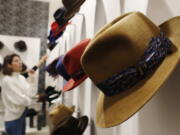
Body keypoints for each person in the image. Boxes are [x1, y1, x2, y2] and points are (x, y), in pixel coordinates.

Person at [1, 53, 47, 135]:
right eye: (16, 61)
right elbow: (21, 100)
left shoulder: (21, 78)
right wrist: (31, 99)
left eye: (20, 60)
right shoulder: (7, 80)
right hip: (13, 118)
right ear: (9, 65)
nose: (20, 62)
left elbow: (31, 94)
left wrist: (32, 80)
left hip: (22, 114)